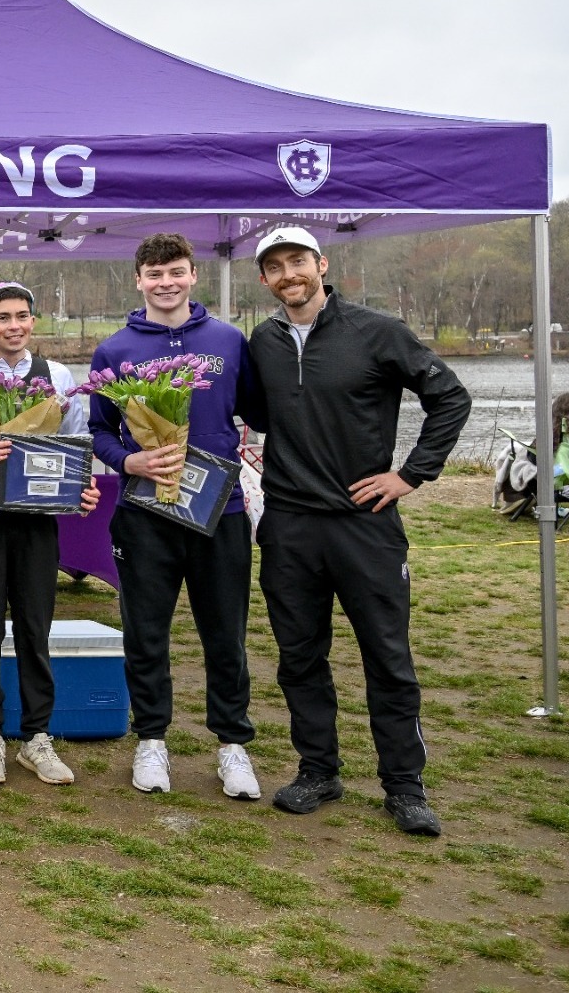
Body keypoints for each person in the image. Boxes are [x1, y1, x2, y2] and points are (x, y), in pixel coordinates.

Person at [248, 225, 470, 836]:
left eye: (298, 261)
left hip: (364, 523)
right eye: (276, 267)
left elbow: (450, 398)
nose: (289, 274)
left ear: (321, 265)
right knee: (299, 657)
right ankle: (318, 770)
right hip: (289, 525)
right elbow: (261, 412)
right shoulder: (261, 343)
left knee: (387, 659)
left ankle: (404, 786)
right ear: (264, 280)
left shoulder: (377, 332)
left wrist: (409, 476)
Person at [89, 233, 263, 800]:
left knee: (225, 633)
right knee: (145, 631)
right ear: (138, 280)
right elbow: (98, 429)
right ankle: (152, 741)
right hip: (144, 513)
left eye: (176, 272)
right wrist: (127, 458)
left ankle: (233, 745)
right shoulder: (114, 350)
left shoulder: (229, 341)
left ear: (193, 276)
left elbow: (259, 411)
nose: (166, 283)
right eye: (154, 274)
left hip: (221, 511)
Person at [0, 281, 101, 788]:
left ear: (33, 321)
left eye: (22, 316)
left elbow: (76, 442)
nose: (13, 326)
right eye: (3, 317)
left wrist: (82, 488)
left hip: (37, 523)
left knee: (36, 629)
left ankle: (37, 735)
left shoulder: (56, 375)